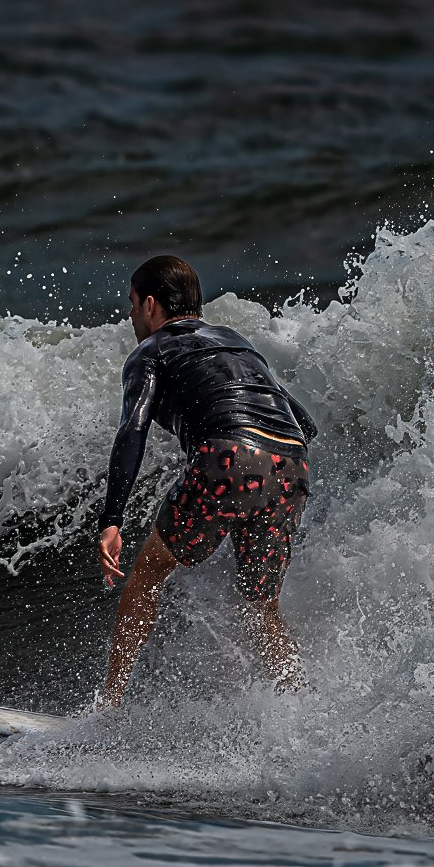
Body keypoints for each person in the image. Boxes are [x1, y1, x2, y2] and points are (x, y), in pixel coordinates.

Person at [96, 255, 317, 706]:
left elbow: (132, 431)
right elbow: (304, 423)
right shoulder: (237, 343)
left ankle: (109, 708)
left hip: (227, 455)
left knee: (146, 578)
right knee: (261, 608)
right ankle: (303, 705)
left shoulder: (149, 352)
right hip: (291, 463)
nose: (131, 316)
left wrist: (112, 520)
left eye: (133, 304)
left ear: (151, 305)